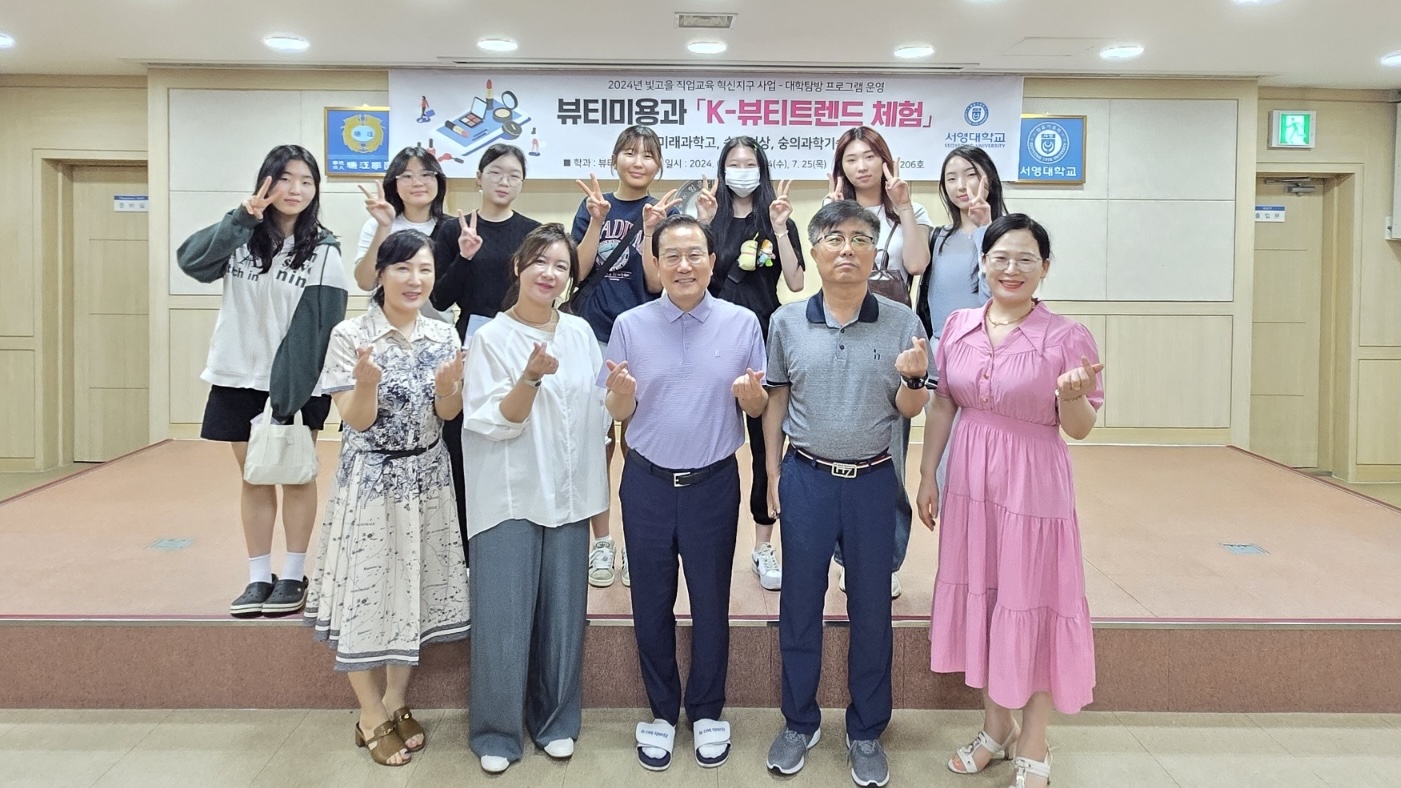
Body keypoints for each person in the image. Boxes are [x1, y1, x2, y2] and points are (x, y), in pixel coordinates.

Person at [915, 214, 1103, 788]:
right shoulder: (959, 325)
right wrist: (927, 475)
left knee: (1033, 601)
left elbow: (1080, 428)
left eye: (1025, 259)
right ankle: (996, 729)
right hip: (970, 479)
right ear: (983, 263)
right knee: (985, 593)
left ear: (1045, 267)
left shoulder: (1066, 336)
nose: (1011, 269)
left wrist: (1071, 396)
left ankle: (1034, 739)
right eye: (1000, 257)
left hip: (1033, 485)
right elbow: (944, 403)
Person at [762, 201, 929, 787]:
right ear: (814, 249)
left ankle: (866, 730)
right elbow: (776, 399)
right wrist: (771, 472)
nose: (848, 249)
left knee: (872, 608)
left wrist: (913, 378)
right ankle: (799, 722)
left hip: (873, 481)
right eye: (834, 238)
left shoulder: (902, 321)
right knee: (799, 603)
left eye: (861, 239)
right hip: (806, 476)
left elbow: (910, 408)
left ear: (874, 251)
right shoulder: (786, 321)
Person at [599, 214, 767, 771]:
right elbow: (617, 409)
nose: (684, 265)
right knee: (650, 603)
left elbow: (759, 406)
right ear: (655, 263)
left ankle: (708, 709)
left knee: (711, 601)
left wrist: (751, 397)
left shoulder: (742, 323)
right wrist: (620, 395)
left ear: (712, 261)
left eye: (695, 254)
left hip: (712, 483)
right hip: (646, 483)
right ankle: (662, 711)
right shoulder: (630, 324)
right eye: (671, 255)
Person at [304, 229, 470, 767]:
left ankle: (397, 699)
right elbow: (356, 420)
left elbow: (447, 415)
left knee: (411, 588)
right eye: (402, 268)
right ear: (380, 274)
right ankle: (370, 713)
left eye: (424, 269)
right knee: (367, 590)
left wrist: (449, 388)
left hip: (429, 477)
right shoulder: (351, 335)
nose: (414, 280)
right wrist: (366, 384)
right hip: (372, 481)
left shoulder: (443, 333)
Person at [176, 144, 348, 619]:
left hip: (295, 384)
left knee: (295, 475)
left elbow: (321, 328)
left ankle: (292, 573)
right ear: (266, 183)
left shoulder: (323, 250)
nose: (296, 189)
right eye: (286, 179)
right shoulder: (239, 237)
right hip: (236, 376)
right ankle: (257, 577)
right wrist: (240, 220)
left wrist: (287, 396)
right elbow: (191, 262)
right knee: (254, 477)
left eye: (306, 181)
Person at [461, 224, 609, 775]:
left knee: (564, 615)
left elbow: (598, 410)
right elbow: (495, 421)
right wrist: (528, 378)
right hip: (510, 492)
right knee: (502, 615)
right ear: (518, 267)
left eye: (561, 266)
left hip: (568, 490)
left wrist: (621, 396)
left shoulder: (580, 333)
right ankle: (496, 730)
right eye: (540, 262)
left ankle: (556, 721)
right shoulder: (491, 338)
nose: (550, 273)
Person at [826, 126, 935, 599]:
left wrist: (904, 206)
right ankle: (846, 557)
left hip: (892, 336)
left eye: (869, 156)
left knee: (889, 457)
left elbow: (916, 264)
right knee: (840, 451)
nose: (861, 166)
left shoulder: (910, 210)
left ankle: (886, 559)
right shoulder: (833, 209)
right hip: (840, 337)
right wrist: (832, 213)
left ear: (884, 160)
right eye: (851, 159)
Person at [695, 135, 805, 592]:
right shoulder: (709, 217)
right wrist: (702, 225)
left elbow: (795, 282)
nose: (742, 171)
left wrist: (780, 229)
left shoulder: (778, 216)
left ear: (762, 169)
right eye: (734, 163)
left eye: (750, 163)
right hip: (711, 340)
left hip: (764, 337)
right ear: (722, 169)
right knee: (706, 441)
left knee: (766, 446)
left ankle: (763, 545)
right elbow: (691, 281)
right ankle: (702, 537)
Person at [570, 124, 678, 588]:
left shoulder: (665, 213)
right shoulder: (593, 205)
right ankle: (601, 541)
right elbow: (577, 271)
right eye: (630, 153)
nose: (638, 162)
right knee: (598, 443)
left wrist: (652, 230)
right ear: (615, 158)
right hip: (594, 335)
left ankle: (638, 542)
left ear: (658, 165)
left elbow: (656, 284)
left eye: (648, 155)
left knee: (640, 444)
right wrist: (596, 221)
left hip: (644, 340)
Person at [430, 143, 542, 551]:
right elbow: (440, 298)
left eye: (514, 175)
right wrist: (464, 257)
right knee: (465, 438)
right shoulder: (453, 229)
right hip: (470, 343)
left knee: (518, 433)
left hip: (518, 342)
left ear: (523, 183)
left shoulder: (532, 233)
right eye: (495, 172)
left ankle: (515, 536)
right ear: (479, 177)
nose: (504, 181)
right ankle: (461, 544)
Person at [914, 145, 1006, 496]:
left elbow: (996, 298)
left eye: (970, 175)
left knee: (987, 459)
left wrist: (986, 230)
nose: (961, 185)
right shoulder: (938, 237)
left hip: (990, 359)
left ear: (989, 179)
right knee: (946, 458)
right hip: (942, 359)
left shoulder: (1007, 234)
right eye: (951, 178)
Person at [351, 145, 452, 323]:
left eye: (426, 174)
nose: (417, 183)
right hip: (382, 328)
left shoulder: (452, 228)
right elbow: (365, 282)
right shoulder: (376, 225)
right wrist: (384, 226)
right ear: (394, 184)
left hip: (437, 330)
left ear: (438, 181)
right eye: (406, 176)